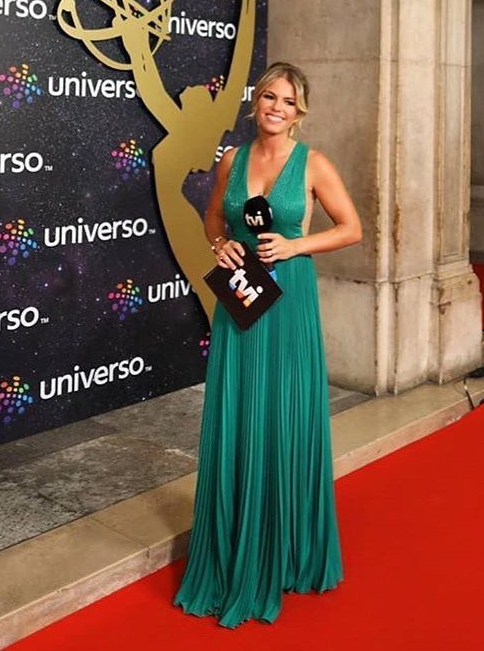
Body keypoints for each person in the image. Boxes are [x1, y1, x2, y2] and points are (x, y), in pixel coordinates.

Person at [173, 61, 362, 628]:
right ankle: (233, 540)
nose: (277, 108)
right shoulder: (232, 159)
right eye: (269, 97)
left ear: (300, 111)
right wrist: (220, 245)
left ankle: (286, 543)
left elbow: (351, 228)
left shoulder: (313, 163)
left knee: (283, 414)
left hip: (289, 299)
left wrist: (295, 246)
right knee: (238, 412)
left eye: (287, 101)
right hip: (240, 298)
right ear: (256, 103)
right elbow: (213, 218)